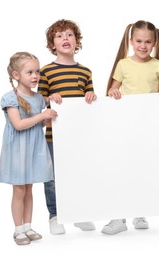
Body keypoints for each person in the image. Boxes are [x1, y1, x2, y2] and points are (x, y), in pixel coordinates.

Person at [102, 20, 159, 235]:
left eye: (148, 42)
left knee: (143, 169)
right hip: (125, 126)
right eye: (139, 41)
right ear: (131, 41)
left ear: (154, 43)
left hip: (148, 127)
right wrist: (114, 92)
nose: (143, 45)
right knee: (122, 169)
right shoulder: (123, 64)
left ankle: (140, 212)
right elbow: (113, 89)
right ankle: (118, 216)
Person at [38, 19, 97, 235]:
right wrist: (48, 98)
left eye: (70, 35)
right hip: (54, 135)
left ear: (77, 41)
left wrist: (91, 95)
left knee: (79, 174)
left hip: (79, 135)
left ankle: (78, 213)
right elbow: (39, 102)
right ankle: (56, 216)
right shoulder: (46, 72)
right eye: (60, 36)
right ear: (52, 44)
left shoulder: (85, 72)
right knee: (52, 177)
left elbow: (90, 102)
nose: (65, 39)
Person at [0, 52, 58, 245]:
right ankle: (18, 230)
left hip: (33, 148)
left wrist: (46, 119)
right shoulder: (10, 98)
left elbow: (36, 124)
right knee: (19, 190)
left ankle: (28, 226)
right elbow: (19, 125)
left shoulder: (39, 98)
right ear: (16, 75)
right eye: (29, 72)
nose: (35, 76)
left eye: (37, 72)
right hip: (18, 150)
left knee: (30, 189)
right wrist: (41, 117)